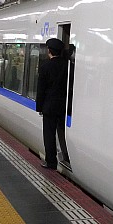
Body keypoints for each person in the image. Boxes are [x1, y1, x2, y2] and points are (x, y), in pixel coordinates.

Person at [36, 38, 69, 169]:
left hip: (49, 107)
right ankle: (66, 155)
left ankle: (51, 162)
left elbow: (41, 89)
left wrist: (39, 107)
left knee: (49, 135)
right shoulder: (67, 66)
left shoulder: (45, 66)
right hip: (64, 106)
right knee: (63, 132)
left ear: (49, 51)